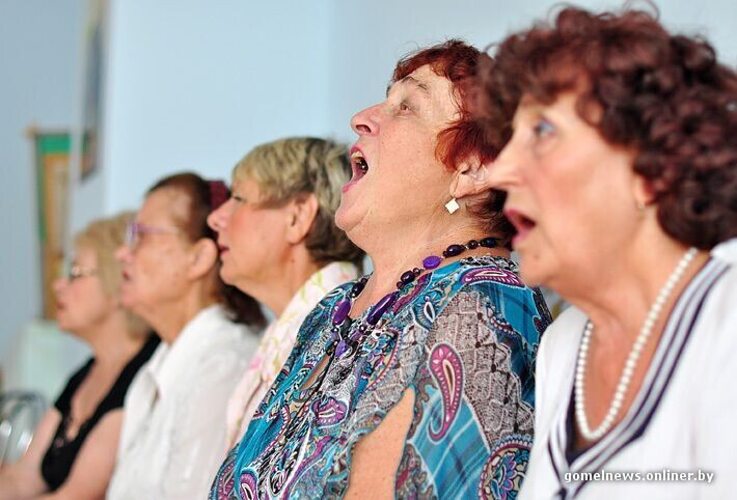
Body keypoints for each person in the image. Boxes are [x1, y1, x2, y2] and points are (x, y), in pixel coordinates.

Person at [210, 41, 551, 499]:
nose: (361, 117)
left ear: (471, 170)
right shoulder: (335, 308)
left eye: (408, 106)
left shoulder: (483, 304)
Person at [478, 5, 737, 498]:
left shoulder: (727, 323)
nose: (499, 171)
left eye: (544, 131)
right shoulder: (564, 346)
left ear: (653, 169)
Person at [107, 173, 265, 499]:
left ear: (199, 258)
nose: (123, 253)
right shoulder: (155, 369)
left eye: (141, 235)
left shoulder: (224, 366)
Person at [206, 137, 364, 449]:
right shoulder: (299, 330)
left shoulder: (343, 334)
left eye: (238, 198)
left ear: (298, 216)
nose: (215, 218)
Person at [0, 212, 158, 499]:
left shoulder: (145, 372)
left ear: (116, 282)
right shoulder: (85, 374)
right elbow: (25, 478)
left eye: (75, 273)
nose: (58, 285)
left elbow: (77, 496)